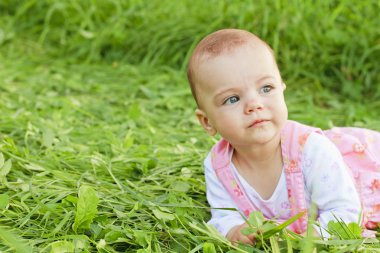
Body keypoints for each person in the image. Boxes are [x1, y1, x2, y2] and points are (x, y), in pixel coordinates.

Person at [186, 28, 380, 245]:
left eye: (266, 88)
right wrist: (234, 231)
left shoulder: (313, 151)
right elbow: (223, 216)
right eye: (232, 99)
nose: (254, 104)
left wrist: (310, 238)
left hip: (369, 166)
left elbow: (346, 211)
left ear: (282, 88)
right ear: (207, 122)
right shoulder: (218, 165)